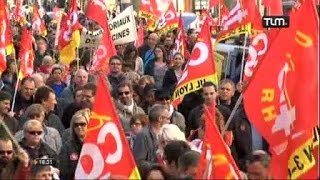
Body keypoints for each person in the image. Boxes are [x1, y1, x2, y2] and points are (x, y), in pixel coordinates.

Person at [59, 109, 90, 180]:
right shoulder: (66, 147)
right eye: (76, 125)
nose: (79, 127)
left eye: (82, 124)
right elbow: (64, 173)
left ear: (89, 124)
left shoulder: (96, 146)